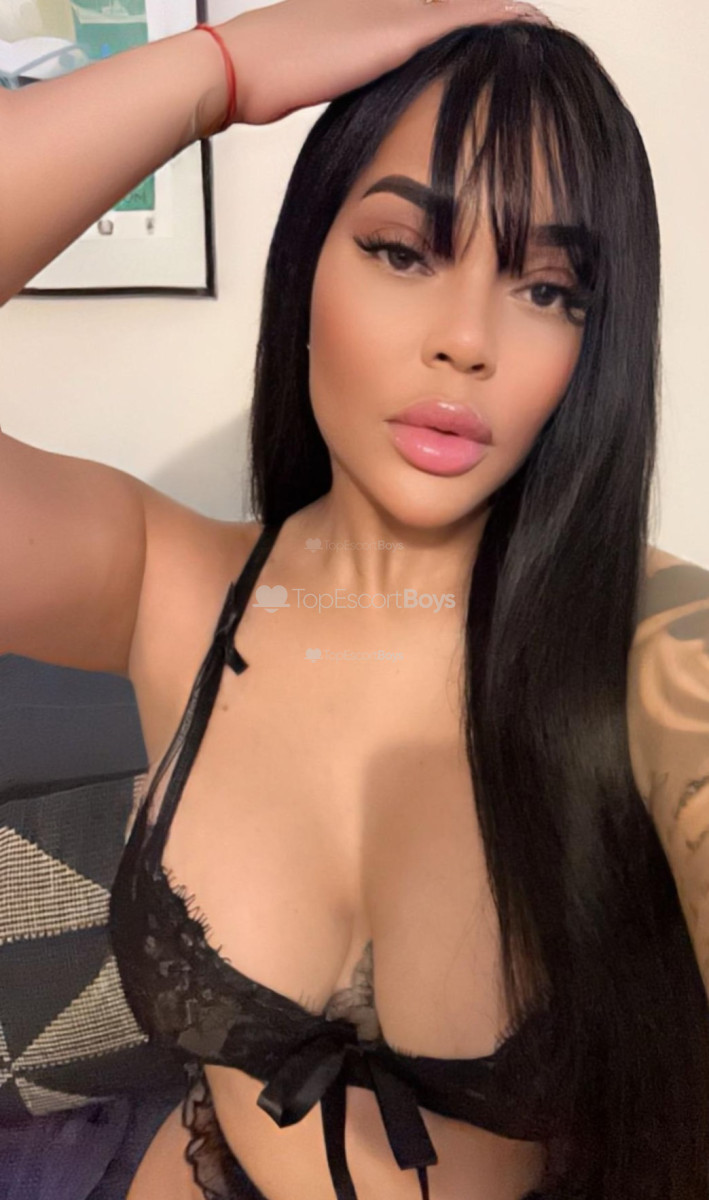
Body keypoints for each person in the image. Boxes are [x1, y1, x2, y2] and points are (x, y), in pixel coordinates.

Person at [1, 1, 709, 1198]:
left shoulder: (651, 639)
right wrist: (223, 70)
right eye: (401, 251)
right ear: (306, 269)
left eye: (549, 288)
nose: (466, 339)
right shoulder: (163, 582)